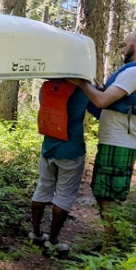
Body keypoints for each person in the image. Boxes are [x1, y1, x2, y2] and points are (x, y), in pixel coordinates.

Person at [74, 31, 136, 244]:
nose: (123, 49)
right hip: (117, 138)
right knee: (104, 192)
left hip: (119, 141)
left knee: (107, 195)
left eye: (126, 44)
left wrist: (81, 83)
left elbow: (102, 101)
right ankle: (111, 242)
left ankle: (112, 245)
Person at [31, 79, 90, 253]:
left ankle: (35, 233)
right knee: (64, 195)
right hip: (71, 150)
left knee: (43, 188)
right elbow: (99, 106)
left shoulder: (47, 87)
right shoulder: (81, 90)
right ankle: (53, 240)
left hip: (48, 147)